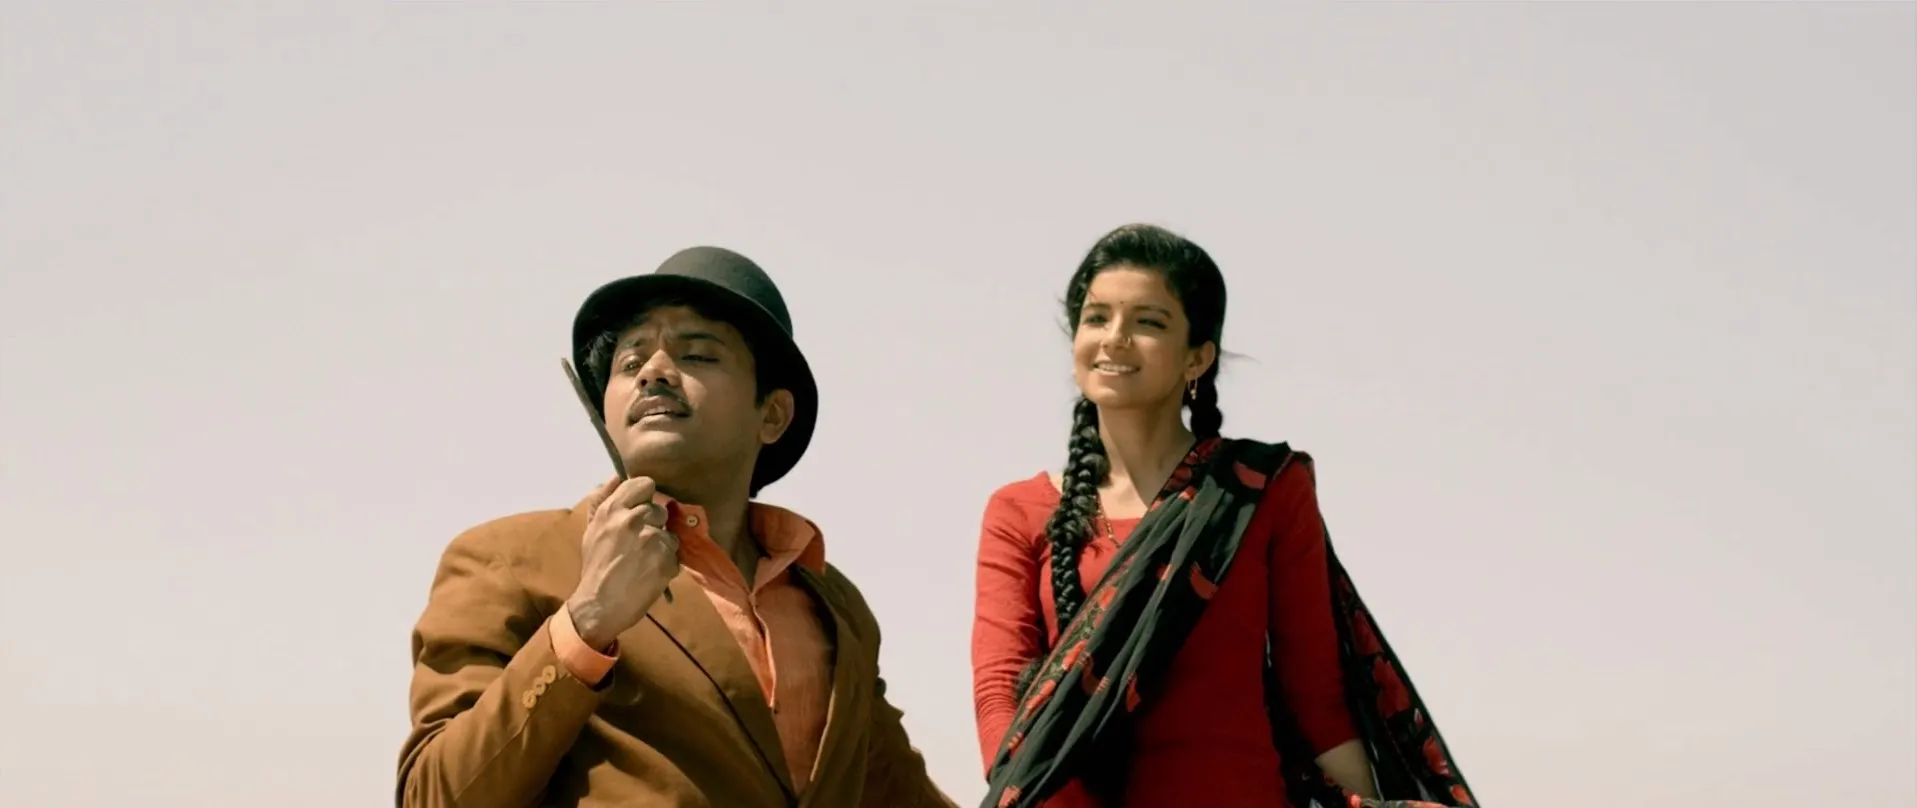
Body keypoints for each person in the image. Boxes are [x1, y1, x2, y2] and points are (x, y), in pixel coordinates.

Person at [397, 246, 956, 808]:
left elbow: (900, 791)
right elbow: (433, 797)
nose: (655, 372)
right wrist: (585, 624)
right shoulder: (509, 560)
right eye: (629, 363)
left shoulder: (837, 606)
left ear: (772, 415)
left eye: (698, 354)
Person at [968, 224, 1479, 808]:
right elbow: (999, 694)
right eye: (1097, 318)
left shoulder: (1256, 490)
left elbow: (1317, 697)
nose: (1115, 339)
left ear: (1197, 357)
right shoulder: (1019, 511)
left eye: (1148, 322)